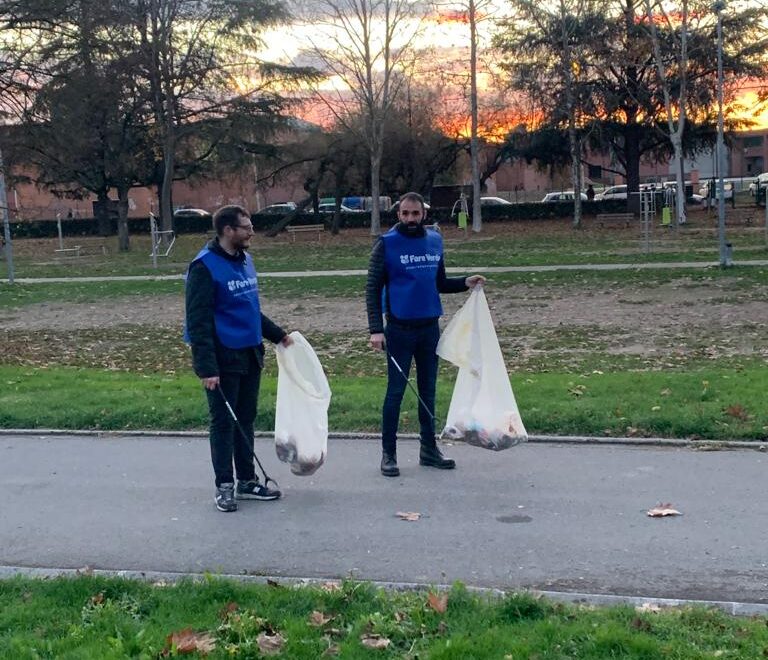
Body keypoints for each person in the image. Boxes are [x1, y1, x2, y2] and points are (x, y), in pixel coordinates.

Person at [366, 192, 486, 477]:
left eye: (415, 214)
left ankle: (429, 449)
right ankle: (389, 455)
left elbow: (440, 282)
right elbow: (372, 288)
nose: (410, 219)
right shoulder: (385, 244)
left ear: (423, 214)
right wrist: (375, 329)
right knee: (395, 392)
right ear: (398, 215)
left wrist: (465, 282)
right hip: (398, 329)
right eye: (405, 214)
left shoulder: (434, 241)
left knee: (428, 391)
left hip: (429, 328)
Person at [185, 205, 293, 512]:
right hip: (222, 357)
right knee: (223, 423)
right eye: (245, 227)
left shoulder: (245, 260)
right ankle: (224, 486)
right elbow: (198, 321)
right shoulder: (204, 267)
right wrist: (206, 367)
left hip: (249, 353)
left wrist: (279, 334)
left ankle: (247, 481)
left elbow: (248, 308)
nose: (252, 232)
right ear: (228, 231)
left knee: (245, 419)